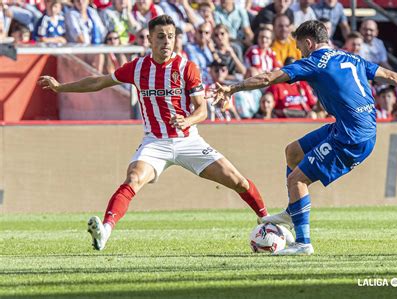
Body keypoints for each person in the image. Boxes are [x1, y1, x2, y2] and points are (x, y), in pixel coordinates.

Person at [212, 20, 397, 255]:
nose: (299, 52)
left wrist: (232, 88)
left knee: (297, 180)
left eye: (299, 46)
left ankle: (303, 243)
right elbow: (392, 76)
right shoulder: (351, 57)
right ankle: (294, 212)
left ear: (309, 43)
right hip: (352, 127)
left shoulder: (314, 62)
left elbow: (267, 79)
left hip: (351, 137)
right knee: (293, 152)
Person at [38, 15, 268, 251]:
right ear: (149, 39)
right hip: (155, 142)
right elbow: (99, 82)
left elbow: (202, 110)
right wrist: (60, 87)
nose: (166, 42)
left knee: (238, 181)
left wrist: (186, 120)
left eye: (170, 36)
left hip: (188, 140)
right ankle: (104, 231)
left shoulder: (186, 67)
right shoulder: (137, 68)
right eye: (160, 37)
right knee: (133, 179)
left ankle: (267, 221)